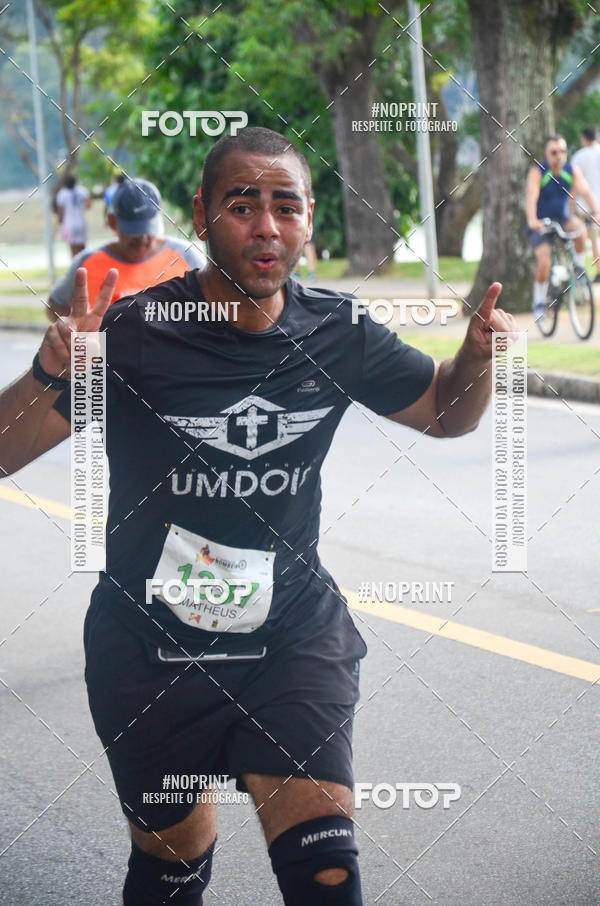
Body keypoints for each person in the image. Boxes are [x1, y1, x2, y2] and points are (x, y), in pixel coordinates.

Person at [0, 126, 516, 906]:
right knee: (173, 868)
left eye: (286, 205)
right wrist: (51, 370)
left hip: (290, 637)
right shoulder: (136, 337)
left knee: (327, 871)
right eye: (243, 205)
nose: (266, 226)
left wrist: (476, 359)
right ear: (203, 218)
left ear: (309, 220)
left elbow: (446, 414)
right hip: (149, 649)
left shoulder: (337, 333)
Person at [47, 177, 205, 320]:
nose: (143, 239)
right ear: (112, 222)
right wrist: (79, 332)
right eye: (134, 231)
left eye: (148, 230)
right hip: (104, 350)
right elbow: (55, 304)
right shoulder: (86, 263)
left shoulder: (187, 256)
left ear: (160, 216)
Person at [525, 134, 600, 320]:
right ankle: (539, 302)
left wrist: (595, 211)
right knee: (544, 261)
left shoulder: (571, 170)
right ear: (546, 153)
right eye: (554, 152)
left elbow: (586, 191)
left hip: (563, 218)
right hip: (541, 222)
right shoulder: (538, 172)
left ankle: (578, 270)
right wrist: (533, 221)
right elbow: (531, 197)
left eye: (563, 151)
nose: (559, 155)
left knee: (580, 230)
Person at [572, 126, 600, 282]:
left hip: (586, 207)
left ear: (584, 138)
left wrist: (570, 204)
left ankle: (583, 275)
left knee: (588, 241)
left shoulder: (579, 156)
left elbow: (576, 184)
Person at [55, 173, 91, 257]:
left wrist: (58, 225)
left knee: (73, 250)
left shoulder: (62, 194)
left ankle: (76, 268)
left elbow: (61, 212)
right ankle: (83, 267)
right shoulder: (82, 190)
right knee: (83, 249)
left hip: (69, 224)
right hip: (81, 222)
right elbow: (89, 205)